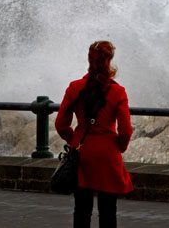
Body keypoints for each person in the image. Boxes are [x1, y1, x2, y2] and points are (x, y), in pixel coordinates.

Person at [55, 40, 134, 228]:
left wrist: (73, 139)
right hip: (107, 154)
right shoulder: (118, 92)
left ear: (89, 59)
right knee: (108, 211)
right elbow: (126, 130)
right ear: (109, 60)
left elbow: (60, 124)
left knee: (82, 209)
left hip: (81, 153)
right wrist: (119, 146)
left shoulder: (74, 88)